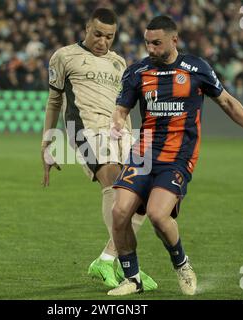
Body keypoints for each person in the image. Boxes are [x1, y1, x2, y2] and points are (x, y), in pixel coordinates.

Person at [108, 16, 243, 296]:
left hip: (178, 156)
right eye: (147, 43)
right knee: (119, 212)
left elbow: (227, 101)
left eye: (157, 43)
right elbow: (121, 108)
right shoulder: (137, 72)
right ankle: (133, 279)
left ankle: (181, 263)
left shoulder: (196, 69)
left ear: (174, 40)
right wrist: (117, 121)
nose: (151, 49)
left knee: (157, 215)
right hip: (143, 153)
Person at [41, 8, 157, 291]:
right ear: (86, 29)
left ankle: (108, 258)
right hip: (84, 129)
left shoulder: (119, 63)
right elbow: (54, 101)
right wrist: (47, 143)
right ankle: (130, 267)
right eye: (97, 34)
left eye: (109, 37)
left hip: (121, 132)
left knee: (146, 196)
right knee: (116, 186)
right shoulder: (64, 56)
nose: (103, 41)